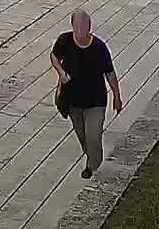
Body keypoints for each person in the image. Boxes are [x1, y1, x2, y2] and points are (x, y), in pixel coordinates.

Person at [52, 10, 123, 178]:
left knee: (93, 135)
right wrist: (61, 72)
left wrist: (117, 96)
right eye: (77, 28)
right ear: (73, 27)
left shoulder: (99, 48)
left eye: (84, 28)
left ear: (89, 27)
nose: (80, 32)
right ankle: (90, 157)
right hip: (73, 101)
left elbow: (110, 74)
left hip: (95, 100)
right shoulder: (64, 41)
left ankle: (94, 167)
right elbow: (54, 57)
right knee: (82, 135)